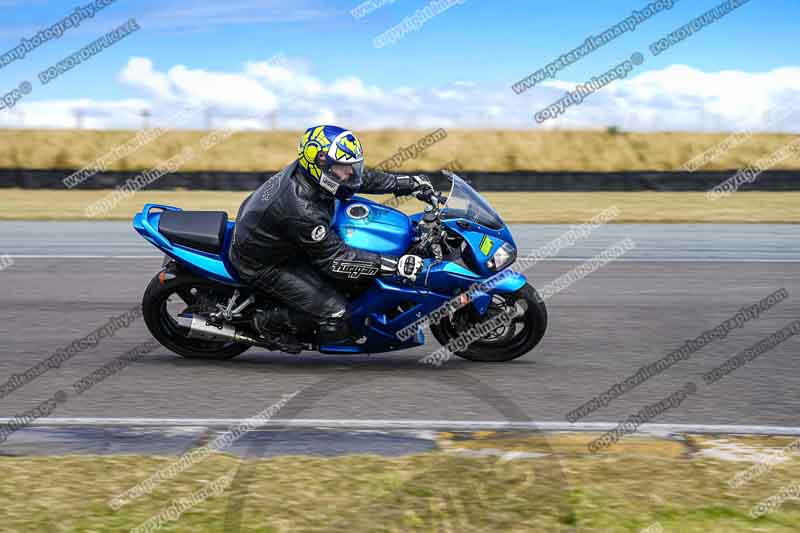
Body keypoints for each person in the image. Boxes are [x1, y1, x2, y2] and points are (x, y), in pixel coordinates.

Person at [228, 124, 433, 349]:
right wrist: (393, 265)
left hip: (277, 236)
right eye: (342, 168)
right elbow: (334, 260)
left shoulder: (317, 175)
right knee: (337, 311)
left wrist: (406, 184)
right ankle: (266, 323)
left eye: (351, 166)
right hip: (264, 263)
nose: (350, 173)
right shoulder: (303, 208)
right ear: (321, 165)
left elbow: (357, 178)